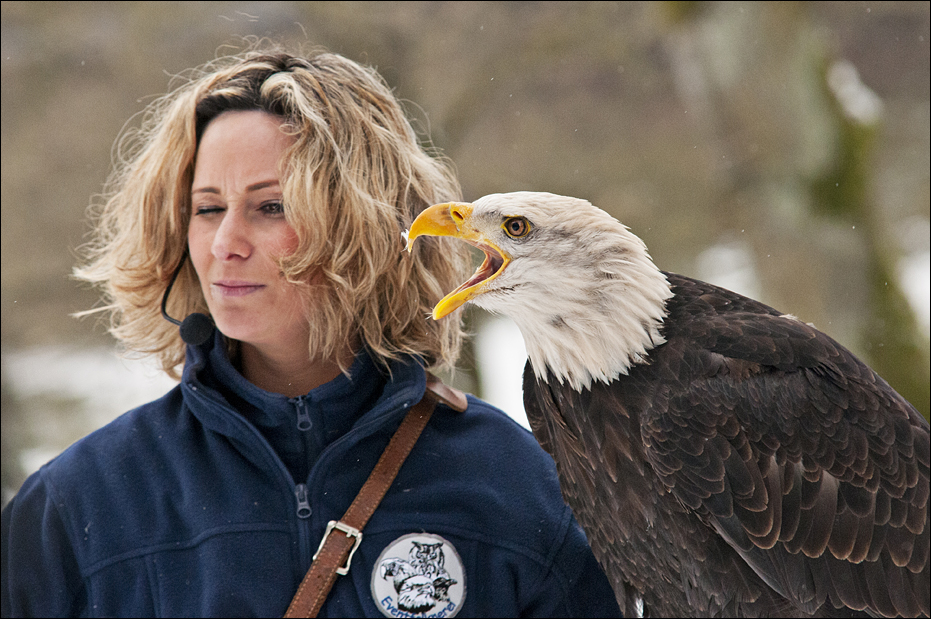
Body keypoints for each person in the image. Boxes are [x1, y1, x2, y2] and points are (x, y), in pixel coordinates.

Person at [0, 45, 621, 618]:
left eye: (272, 207)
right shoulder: (79, 505)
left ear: (362, 225)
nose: (224, 244)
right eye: (208, 208)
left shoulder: (519, 486)